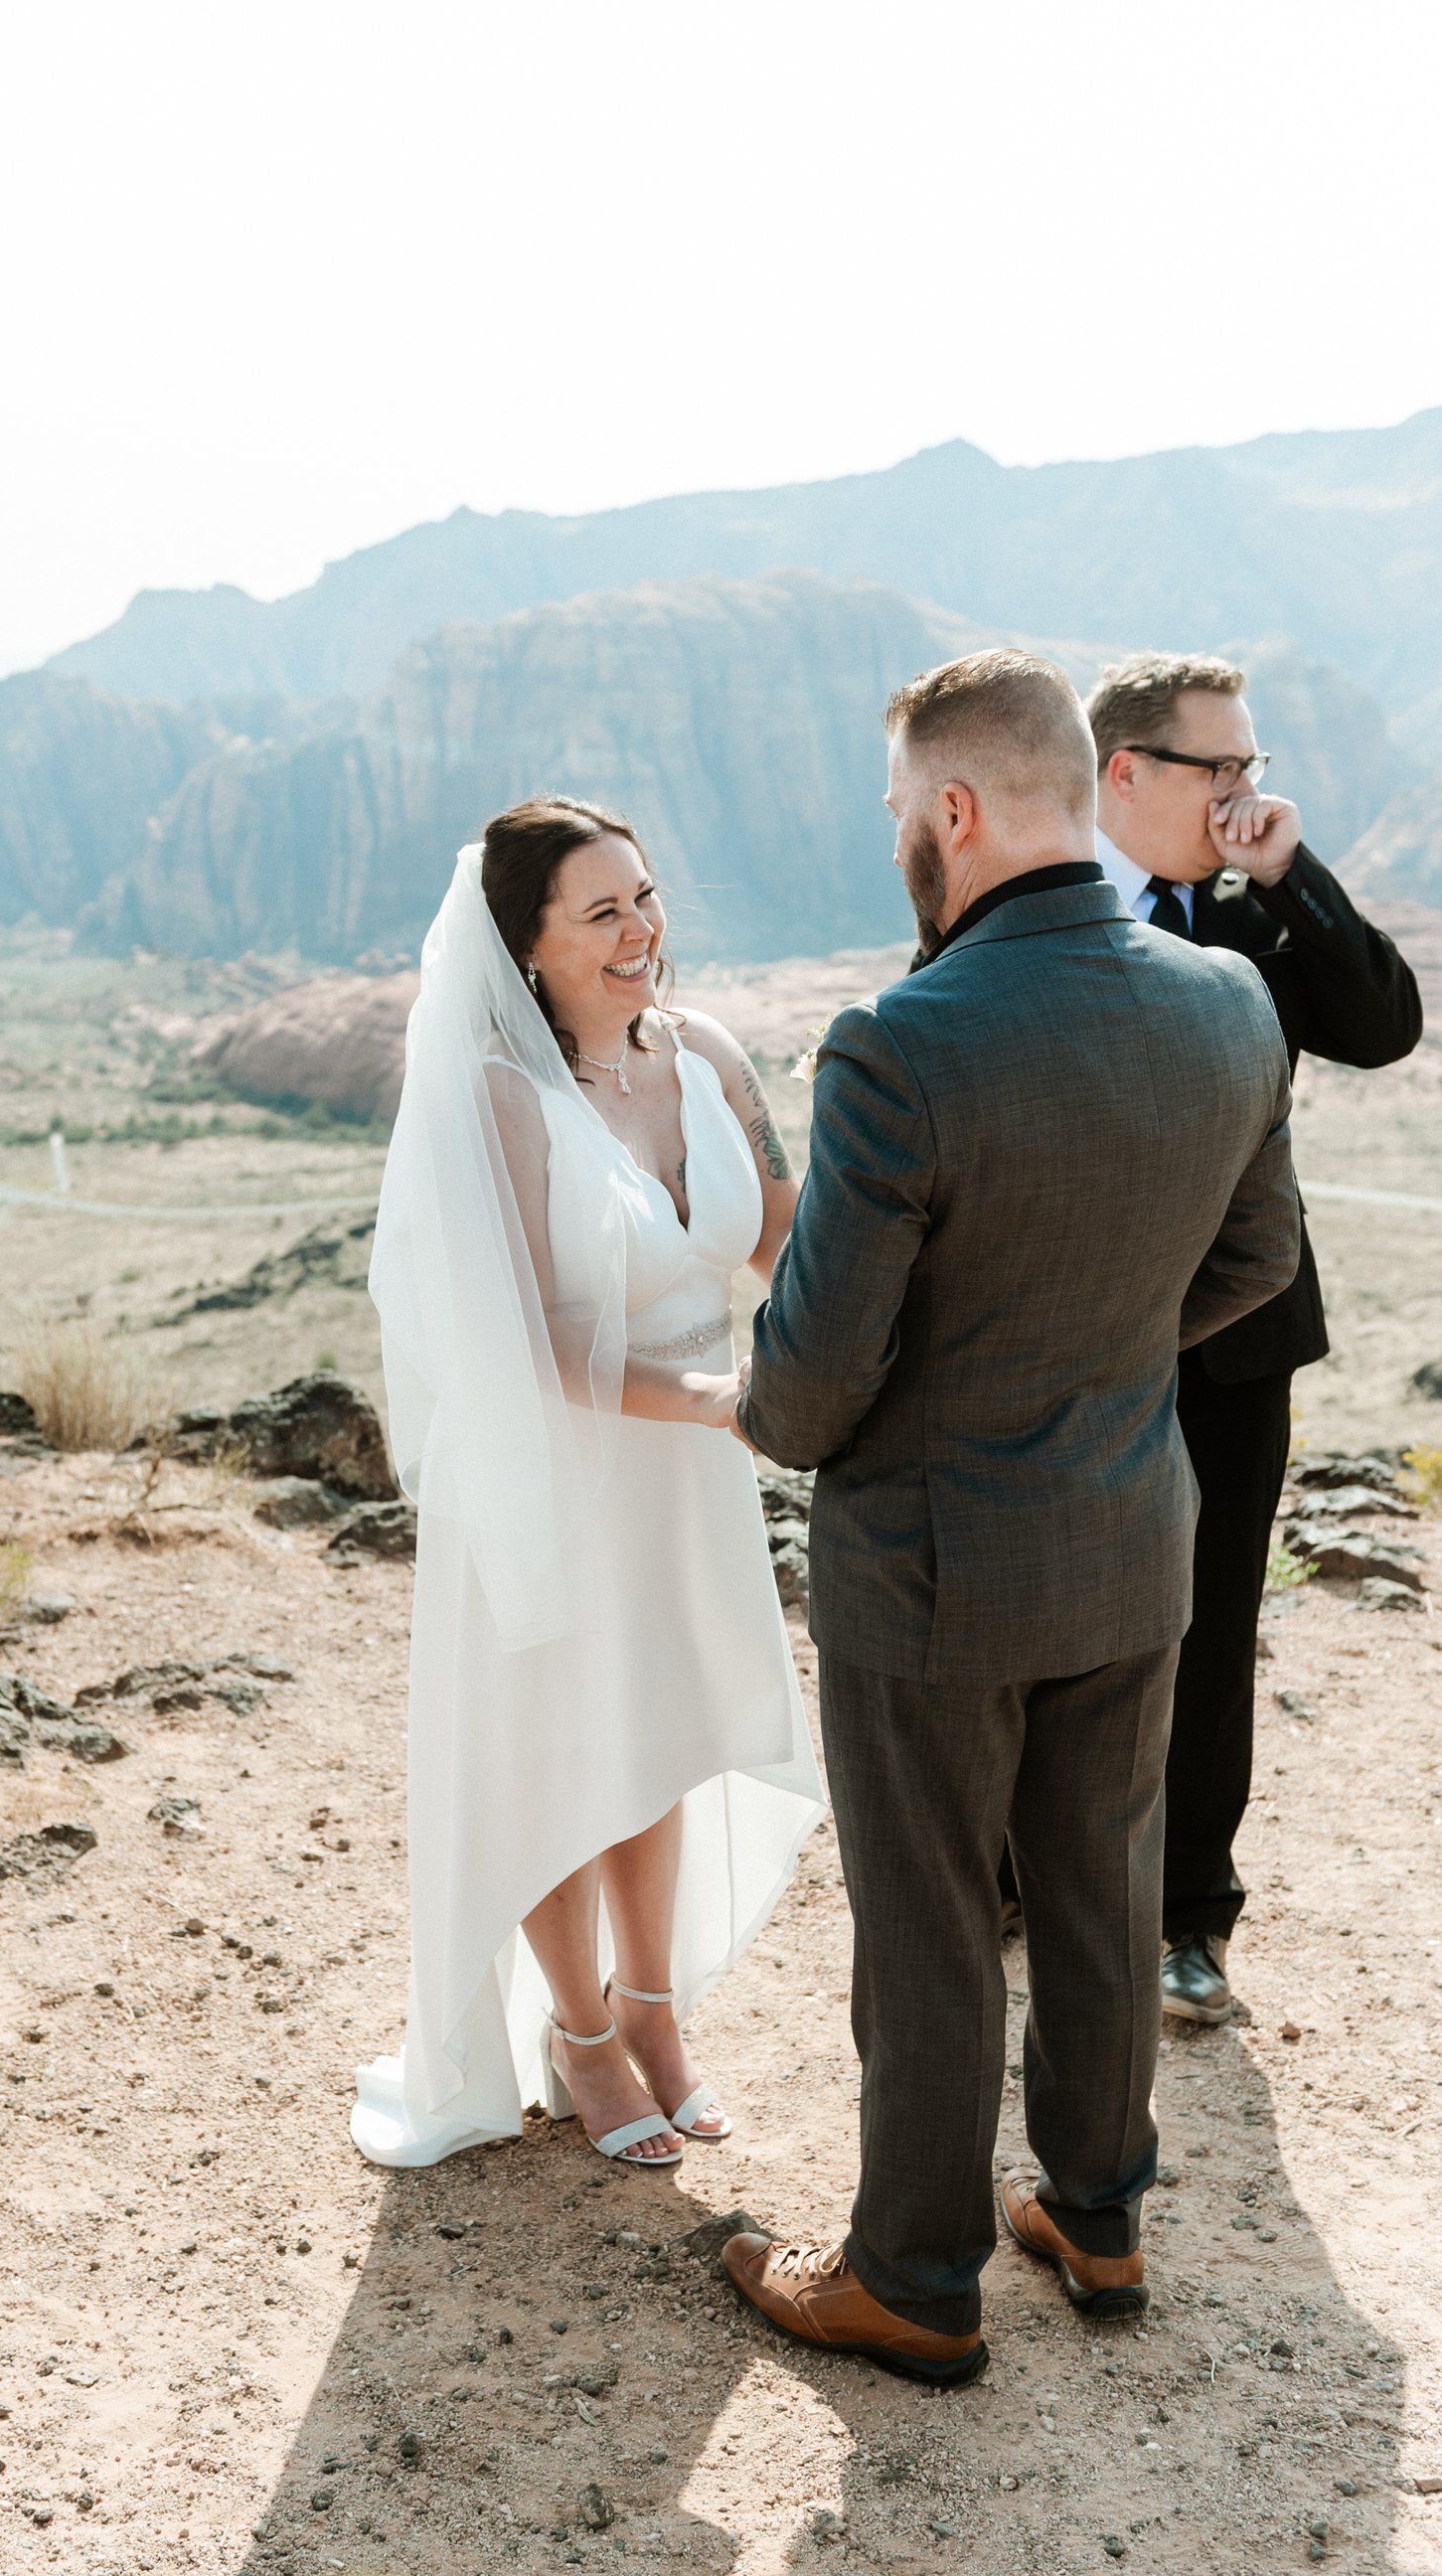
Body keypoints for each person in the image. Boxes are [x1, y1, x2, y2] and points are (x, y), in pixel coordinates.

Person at [721, 650, 1301, 2382]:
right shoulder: (1222, 1003)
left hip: (929, 1568)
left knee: (926, 1921)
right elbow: (1255, 1263)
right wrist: (1097, 1365)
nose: (902, 839)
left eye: (906, 813)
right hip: (1133, 1537)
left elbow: (806, 1395)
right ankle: (1100, 2214)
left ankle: (909, 2273)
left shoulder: (902, 1041)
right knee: (1103, 1889)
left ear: (956, 811)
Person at [351, 797, 825, 2170]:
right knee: (561, 1748)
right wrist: (716, 1400)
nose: (641, 932)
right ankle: (578, 2035)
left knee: (662, 1735)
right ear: (528, 943)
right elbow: (529, 1336)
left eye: (647, 898)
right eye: (602, 912)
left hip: (691, 1471)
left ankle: (656, 2010)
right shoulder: (497, 1098)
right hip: (551, 1464)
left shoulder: (711, 1059)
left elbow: (785, 1247)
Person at [1084, 654, 1422, 2024]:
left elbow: (1384, 1027)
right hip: (1073, 1332)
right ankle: (1015, 1876)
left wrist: (1292, 875)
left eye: (1251, 766)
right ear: (1122, 773)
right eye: (1214, 768)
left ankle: (1186, 1919)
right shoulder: (1022, 902)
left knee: (1211, 1624)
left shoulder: (1253, 909)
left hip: (1235, 1336)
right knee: (1055, 1623)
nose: (1242, 791)